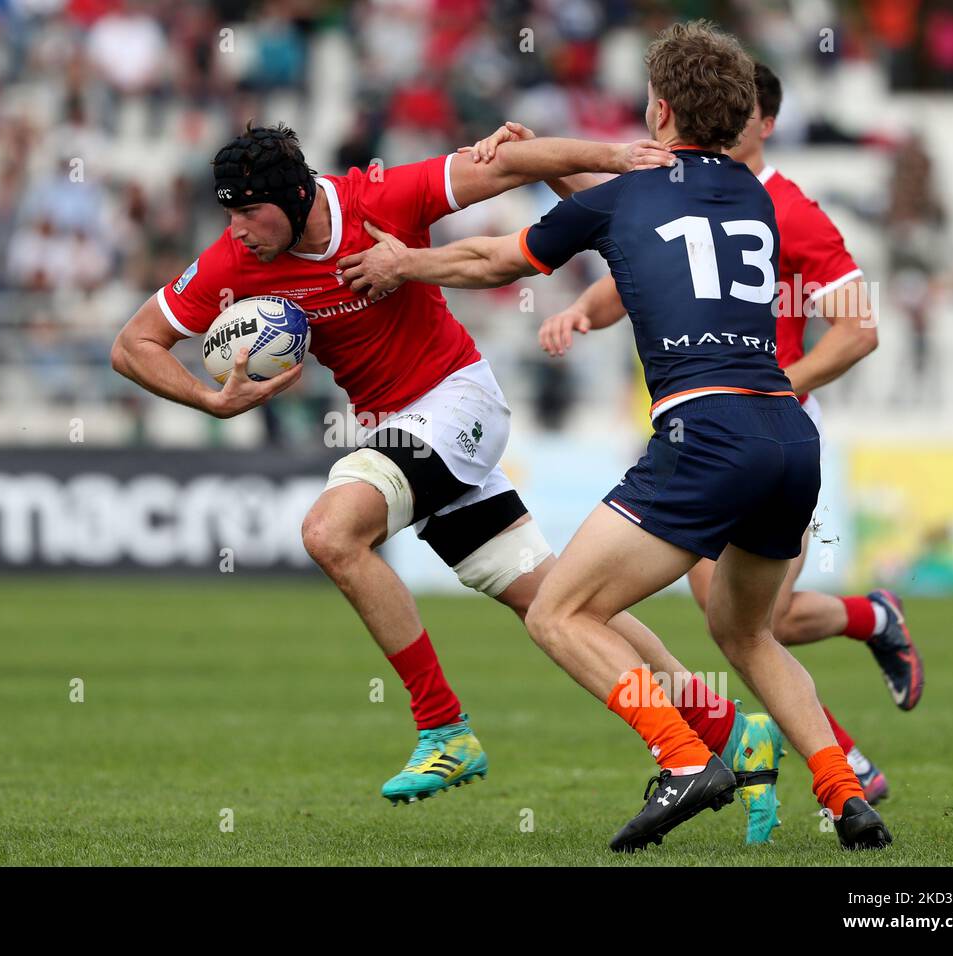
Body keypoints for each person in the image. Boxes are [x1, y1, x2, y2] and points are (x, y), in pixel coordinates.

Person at [111, 122, 785, 839]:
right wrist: (210, 399)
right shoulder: (233, 263)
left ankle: (444, 727)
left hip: (457, 403)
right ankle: (730, 733)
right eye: (228, 215)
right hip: (404, 436)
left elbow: (507, 166)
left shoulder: (380, 197)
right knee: (562, 606)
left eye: (248, 212)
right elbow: (133, 346)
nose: (237, 231)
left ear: (294, 196)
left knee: (330, 533)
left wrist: (614, 156)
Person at [339, 21, 892, 852]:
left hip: (705, 433)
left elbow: (502, 261)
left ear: (659, 109)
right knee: (746, 635)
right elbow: (636, 226)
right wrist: (570, 177)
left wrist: (403, 265)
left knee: (560, 613)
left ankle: (681, 759)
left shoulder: (634, 189)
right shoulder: (754, 193)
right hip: (788, 434)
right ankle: (847, 795)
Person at [483, 62, 921, 806]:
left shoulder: (791, 209)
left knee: (745, 620)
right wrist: (587, 311)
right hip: (702, 425)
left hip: (758, 421)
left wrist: (783, 384)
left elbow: (860, 329)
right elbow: (644, 254)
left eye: (738, 110)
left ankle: (818, 729)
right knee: (741, 623)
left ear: (764, 122)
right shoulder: (673, 189)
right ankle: (841, 755)